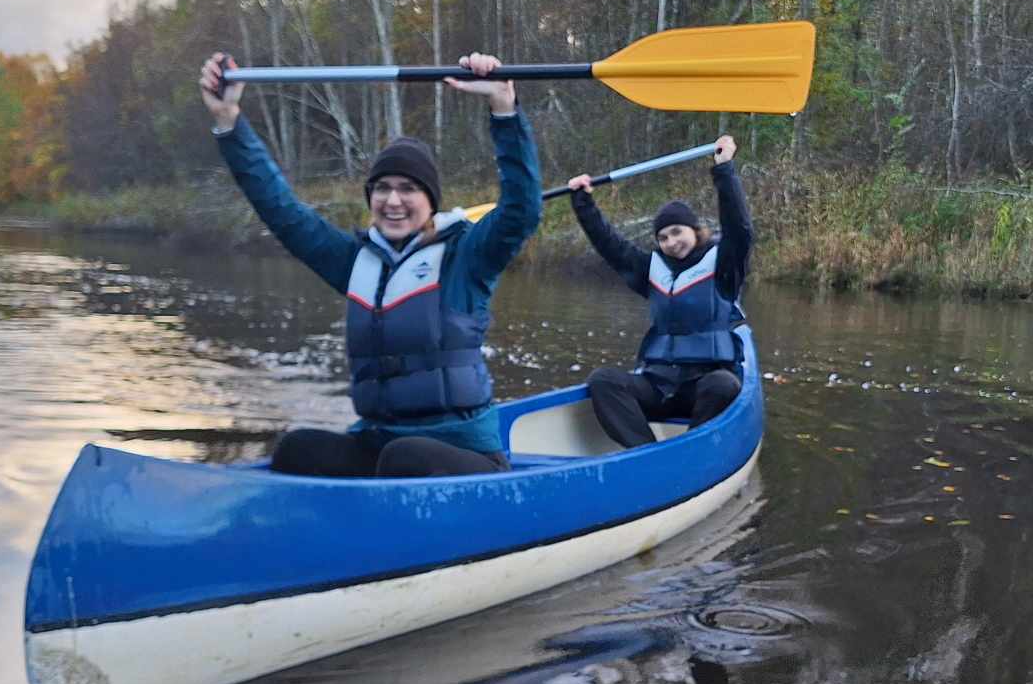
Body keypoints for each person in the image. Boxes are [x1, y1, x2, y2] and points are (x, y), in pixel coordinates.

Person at [199, 50, 541, 477]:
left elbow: (521, 211)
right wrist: (229, 120)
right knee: (297, 449)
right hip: (380, 444)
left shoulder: (465, 257)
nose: (392, 201)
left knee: (406, 456)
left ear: (429, 201)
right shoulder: (354, 261)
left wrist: (503, 109)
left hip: (461, 454)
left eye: (407, 189)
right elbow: (281, 210)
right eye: (381, 188)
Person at [566, 134, 751, 448]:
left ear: (695, 231)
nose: (671, 242)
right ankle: (645, 453)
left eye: (677, 232)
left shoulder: (724, 265)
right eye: (663, 237)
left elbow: (739, 227)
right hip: (659, 386)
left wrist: (724, 171)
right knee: (604, 381)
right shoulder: (650, 269)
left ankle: (692, 449)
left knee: (723, 384)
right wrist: (583, 202)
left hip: (704, 388)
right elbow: (609, 245)